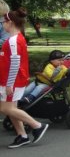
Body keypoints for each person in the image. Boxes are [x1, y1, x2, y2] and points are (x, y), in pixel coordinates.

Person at [1, 8, 49, 148]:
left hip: (13, 81)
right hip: (12, 80)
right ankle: (22, 136)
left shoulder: (13, 40)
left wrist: (9, 84)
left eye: (4, 21)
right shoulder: (15, 39)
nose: (2, 24)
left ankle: (37, 126)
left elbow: (15, 63)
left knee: (7, 109)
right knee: (9, 108)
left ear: (10, 22)